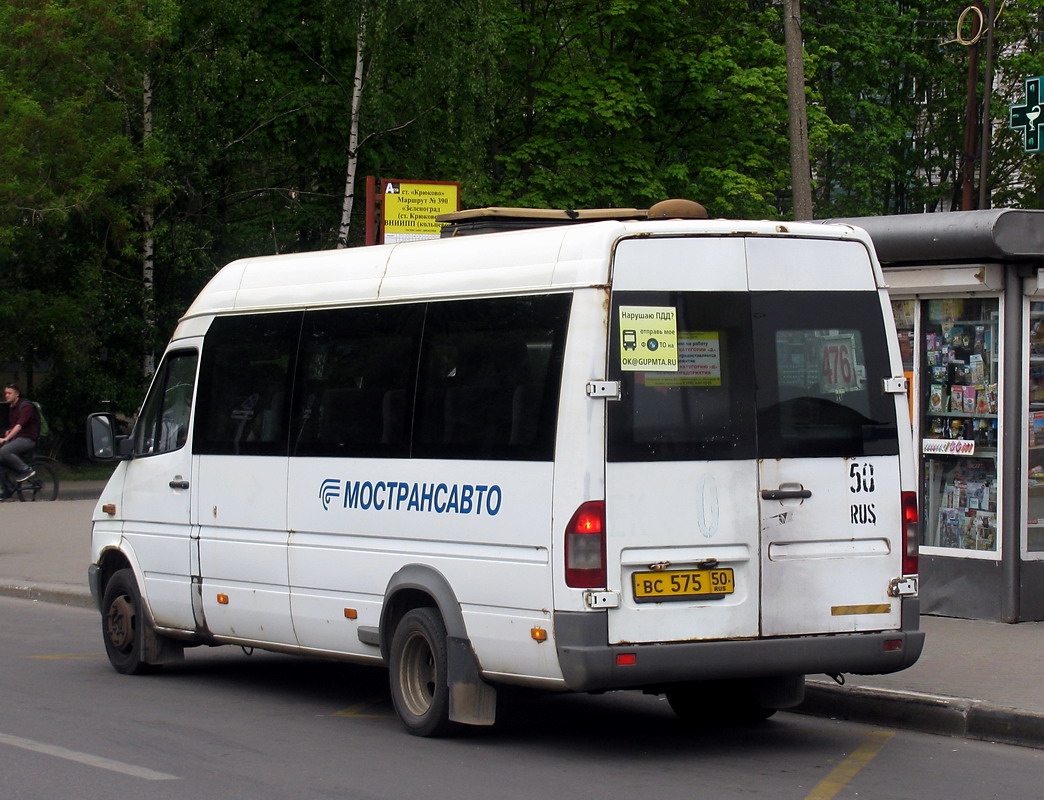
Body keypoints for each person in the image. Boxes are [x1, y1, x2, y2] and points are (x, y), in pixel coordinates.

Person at [1, 384, 40, 482]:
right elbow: (14, 426)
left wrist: (6, 439)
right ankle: (7, 488)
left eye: (9, 393)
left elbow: (19, 426)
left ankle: (26, 470)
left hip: (28, 439)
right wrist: (9, 431)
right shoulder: (12, 407)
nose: (7, 395)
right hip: (18, 438)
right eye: (6, 393)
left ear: (17, 394)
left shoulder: (26, 406)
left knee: (4, 451)